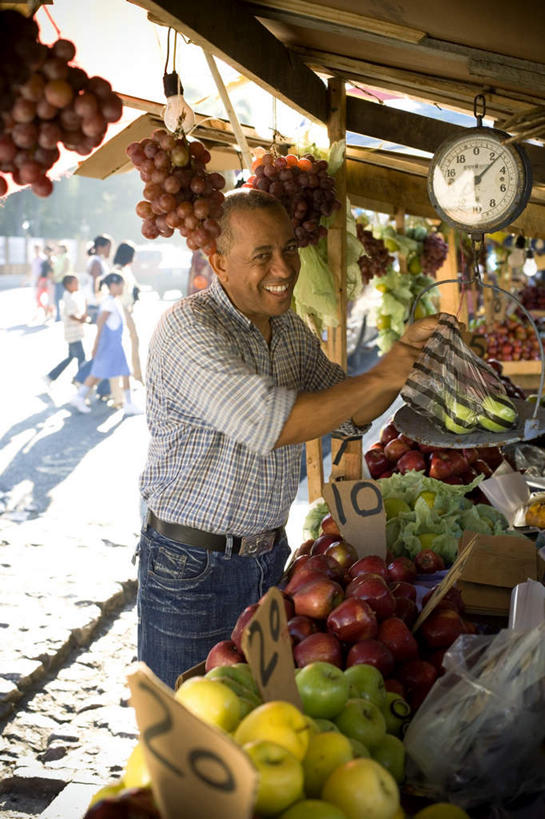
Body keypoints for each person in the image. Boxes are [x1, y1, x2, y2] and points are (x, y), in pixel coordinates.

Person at [137, 190, 442, 689]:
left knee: (255, 710)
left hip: (270, 560)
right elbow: (271, 425)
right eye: (262, 255)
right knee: (184, 716)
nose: (283, 268)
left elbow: (348, 413)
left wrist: (403, 359)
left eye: (289, 249)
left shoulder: (289, 329)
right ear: (219, 262)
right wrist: (382, 373)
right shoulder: (188, 328)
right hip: (191, 569)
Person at [69, 272, 142, 416]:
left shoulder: (113, 301)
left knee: (119, 372)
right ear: (113, 285)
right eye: (121, 285)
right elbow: (101, 323)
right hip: (109, 344)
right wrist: (96, 345)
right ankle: (80, 397)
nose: (122, 288)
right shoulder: (109, 302)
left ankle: (128, 403)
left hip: (113, 344)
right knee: (101, 373)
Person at [44, 275, 86, 385]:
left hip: (73, 332)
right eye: (75, 283)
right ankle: (80, 379)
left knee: (71, 356)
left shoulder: (69, 296)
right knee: (81, 357)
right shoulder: (68, 298)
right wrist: (81, 319)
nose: (77, 285)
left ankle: (51, 376)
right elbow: (71, 315)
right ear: (68, 285)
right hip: (73, 333)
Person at [112, 240, 143, 382]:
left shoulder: (125, 269)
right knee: (132, 341)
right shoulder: (117, 270)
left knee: (133, 341)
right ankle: (136, 375)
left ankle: (136, 374)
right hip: (121, 309)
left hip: (128, 309)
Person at [85, 234, 112, 324]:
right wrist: (97, 298)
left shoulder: (98, 260)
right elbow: (95, 282)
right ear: (100, 247)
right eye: (108, 247)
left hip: (97, 301)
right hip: (96, 303)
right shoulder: (96, 261)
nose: (110, 250)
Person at [51, 244, 71, 322]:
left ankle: (67, 314)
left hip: (63, 281)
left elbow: (65, 270)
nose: (59, 250)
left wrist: (56, 277)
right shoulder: (57, 258)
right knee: (56, 299)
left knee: (64, 298)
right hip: (57, 281)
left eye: (61, 249)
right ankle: (58, 315)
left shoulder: (66, 258)